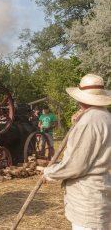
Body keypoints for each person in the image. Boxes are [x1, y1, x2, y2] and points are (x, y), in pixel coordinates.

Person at [42, 74, 111, 230]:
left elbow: (75, 165)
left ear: (80, 98)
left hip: (87, 199)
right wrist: (76, 125)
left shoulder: (89, 122)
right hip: (99, 193)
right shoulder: (105, 116)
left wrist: (49, 172)